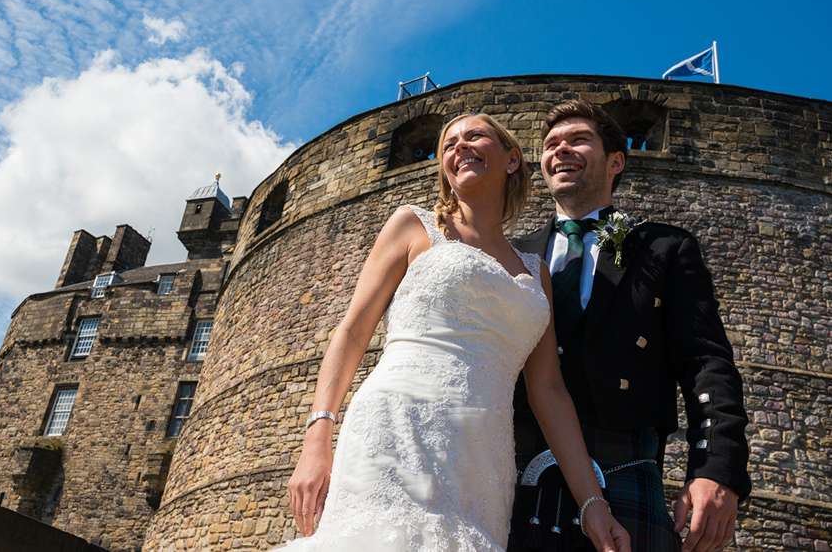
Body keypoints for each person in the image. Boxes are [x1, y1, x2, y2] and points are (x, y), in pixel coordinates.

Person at [282, 114, 630, 552]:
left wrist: (592, 503)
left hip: (484, 459)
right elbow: (351, 332)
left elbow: (549, 391)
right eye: (449, 143)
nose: (459, 146)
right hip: (395, 425)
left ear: (511, 158)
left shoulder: (535, 272)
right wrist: (317, 437)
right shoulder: (413, 226)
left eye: (474, 136)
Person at [509, 100, 751, 552]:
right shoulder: (510, 256)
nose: (560, 150)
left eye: (578, 140)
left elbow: (705, 362)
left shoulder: (663, 247)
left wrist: (716, 468)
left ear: (616, 161)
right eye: (550, 144)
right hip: (510, 462)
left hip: (622, 464)